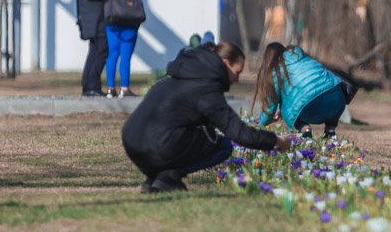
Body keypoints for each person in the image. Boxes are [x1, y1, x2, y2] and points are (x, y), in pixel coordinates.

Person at [122, 41, 292, 193]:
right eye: (237, 72)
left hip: (131, 141)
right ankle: (169, 176)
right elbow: (239, 133)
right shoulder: (206, 89)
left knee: (195, 134)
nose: (237, 79)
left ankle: (155, 179)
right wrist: (276, 142)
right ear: (226, 63)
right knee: (223, 146)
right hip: (157, 145)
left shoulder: (180, 73)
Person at [251, 43, 354, 140]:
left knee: (292, 107)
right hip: (338, 99)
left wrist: (260, 124)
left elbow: (270, 108)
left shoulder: (275, 71)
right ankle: (330, 129)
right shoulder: (301, 56)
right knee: (325, 96)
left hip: (309, 108)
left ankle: (305, 129)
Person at [72, 0, 110, 97]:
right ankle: (92, 86)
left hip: (91, 16)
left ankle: (89, 87)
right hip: (93, 16)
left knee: (95, 50)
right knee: (102, 48)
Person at [102, 0, 141, 98]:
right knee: (125, 55)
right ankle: (124, 89)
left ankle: (110, 88)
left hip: (110, 21)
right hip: (126, 21)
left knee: (112, 54)